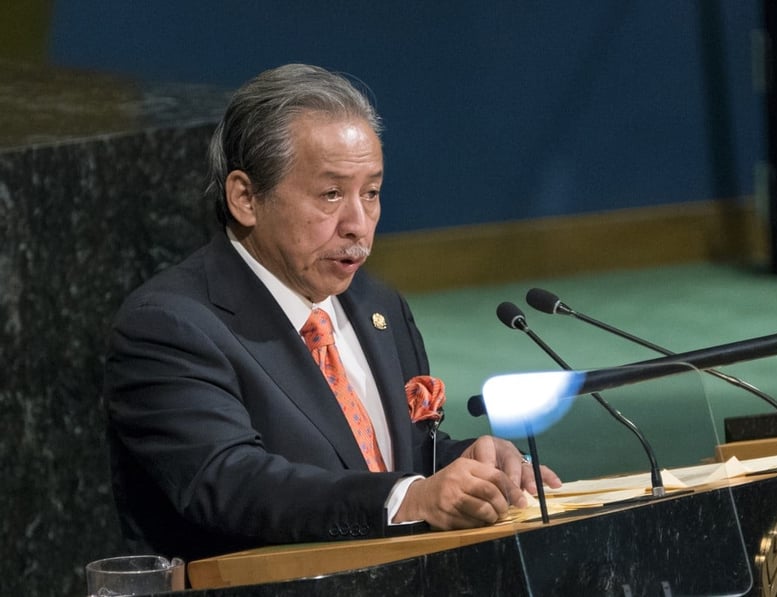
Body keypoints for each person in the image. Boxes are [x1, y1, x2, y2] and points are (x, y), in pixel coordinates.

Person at [103, 63, 560, 562]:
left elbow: (396, 457)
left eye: (371, 193)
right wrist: (410, 497)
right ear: (245, 197)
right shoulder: (171, 325)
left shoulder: (377, 306)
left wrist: (470, 464)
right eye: (331, 194)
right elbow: (230, 480)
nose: (358, 225)